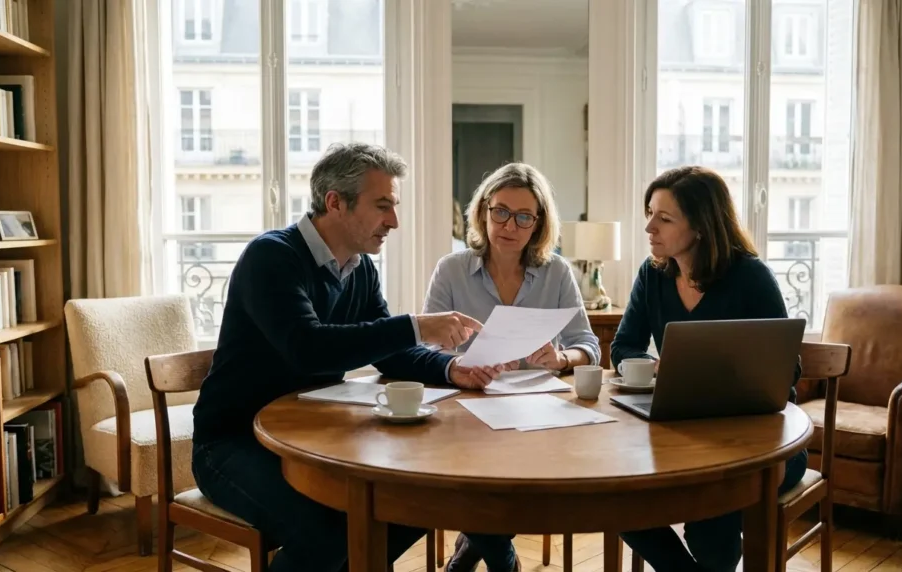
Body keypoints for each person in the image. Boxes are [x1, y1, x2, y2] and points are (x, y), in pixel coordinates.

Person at [191, 143, 517, 572]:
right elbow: (308, 348)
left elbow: (393, 355)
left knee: (414, 504)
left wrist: (453, 368)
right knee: (325, 535)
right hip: (232, 443)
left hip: (312, 436)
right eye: (383, 206)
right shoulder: (272, 257)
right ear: (335, 202)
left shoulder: (361, 269)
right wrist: (416, 325)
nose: (394, 221)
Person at [611, 165, 806, 572]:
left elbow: (786, 370)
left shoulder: (750, 277)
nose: (649, 226)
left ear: (700, 226)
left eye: (664, 218)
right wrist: (654, 367)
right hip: (678, 433)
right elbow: (624, 346)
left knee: (710, 528)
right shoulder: (652, 274)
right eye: (649, 212)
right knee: (616, 499)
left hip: (761, 441)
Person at [423, 162, 600, 572]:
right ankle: (503, 562)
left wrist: (562, 359)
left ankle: (467, 556)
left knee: (520, 477)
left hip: (536, 411)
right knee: (478, 474)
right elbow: (425, 350)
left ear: (537, 224)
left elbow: (587, 344)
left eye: (524, 216)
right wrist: (459, 364)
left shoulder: (556, 272)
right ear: (484, 211)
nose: (510, 225)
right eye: (500, 210)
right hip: (466, 407)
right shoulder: (451, 269)